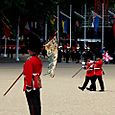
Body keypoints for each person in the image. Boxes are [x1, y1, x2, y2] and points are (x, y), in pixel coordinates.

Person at [23, 34, 43, 115]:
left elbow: (28, 75)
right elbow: (39, 72)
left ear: (32, 50)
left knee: (32, 105)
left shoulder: (29, 61)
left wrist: (28, 86)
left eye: (29, 49)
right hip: (37, 83)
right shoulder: (38, 60)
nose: (28, 50)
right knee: (37, 104)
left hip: (31, 84)